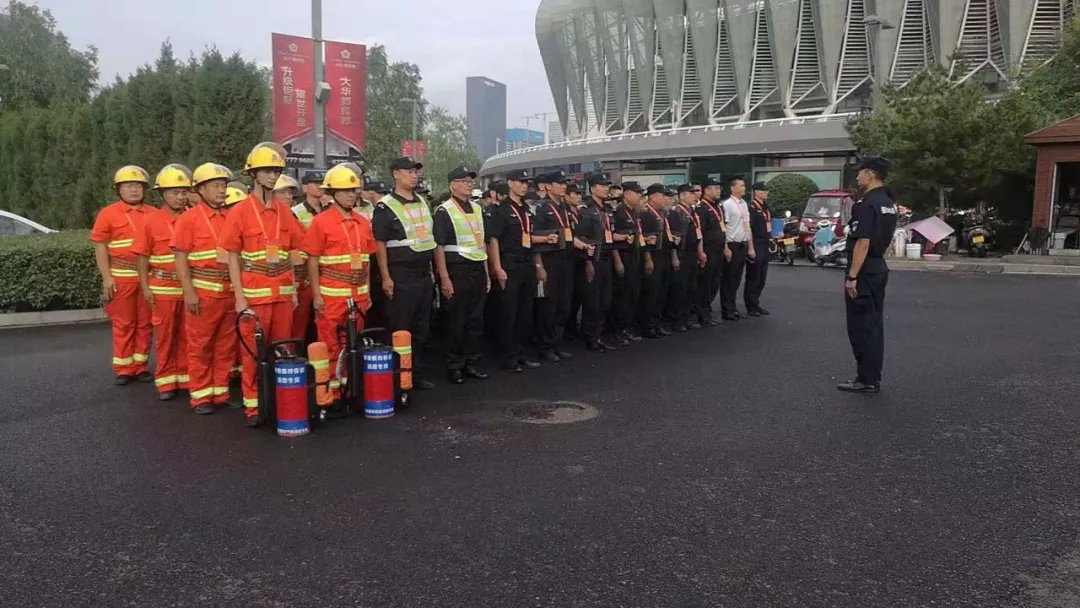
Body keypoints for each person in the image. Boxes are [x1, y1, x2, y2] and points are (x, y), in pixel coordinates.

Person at [220, 144, 305, 426]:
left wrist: (292, 290)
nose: (273, 176)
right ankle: (254, 407)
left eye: (276, 171)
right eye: (267, 171)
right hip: (254, 295)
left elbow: (296, 251)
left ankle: (283, 401)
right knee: (252, 354)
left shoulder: (283, 212)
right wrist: (239, 298)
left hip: (281, 295)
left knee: (284, 351)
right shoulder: (240, 212)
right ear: (254, 174)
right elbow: (231, 255)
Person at [301, 164, 376, 410]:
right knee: (330, 345)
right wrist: (317, 296)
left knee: (353, 344)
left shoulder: (363, 222)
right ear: (332, 193)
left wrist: (368, 291)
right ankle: (330, 395)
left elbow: (367, 260)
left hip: (359, 294)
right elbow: (312, 258)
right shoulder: (321, 223)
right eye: (345, 191)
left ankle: (350, 388)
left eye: (353, 190)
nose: (351, 195)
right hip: (332, 295)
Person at [171, 162, 238, 415]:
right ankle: (200, 396)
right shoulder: (189, 219)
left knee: (225, 344)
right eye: (215, 186)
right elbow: (180, 258)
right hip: (204, 292)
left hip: (229, 292)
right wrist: (189, 292)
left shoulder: (231, 217)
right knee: (200, 345)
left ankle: (219, 392)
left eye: (223, 185)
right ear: (200, 189)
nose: (221, 190)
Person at [371, 156, 437, 390]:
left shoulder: (421, 201)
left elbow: (427, 239)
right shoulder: (385, 206)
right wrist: (386, 277)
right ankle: (397, 376)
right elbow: (380, 243)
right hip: (400, 274)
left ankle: (414, 373)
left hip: (422, 274)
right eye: (408, 171)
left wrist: (430, 270)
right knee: (401, 326)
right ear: (396, 174)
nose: (413, 175)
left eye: (415, 171)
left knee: (421, 327)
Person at [90, 166, 155, 385]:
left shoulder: (154, 214)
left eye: (138, 186)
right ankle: (124, 368)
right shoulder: (108, 214)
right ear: (119, 189)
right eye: (129, 186)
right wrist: (106, 278)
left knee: (145, 323)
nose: (135, 190)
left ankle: (141, 365)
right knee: (123, 323)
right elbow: (100, 247)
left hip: (148, 278)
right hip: (121, 276)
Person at [133, 164, 193, 401]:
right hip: (163, 288)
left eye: (183, 191)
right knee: (166, 335)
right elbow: (142, 256)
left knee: (189, 334)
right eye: (174, 192)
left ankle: (187, 377)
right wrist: (145, 287)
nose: (179, 196)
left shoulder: (193, 218)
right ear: (162, 194)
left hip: (190, 287)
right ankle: (166, 381)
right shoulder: (151, 221)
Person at [839, 156, 897, 393]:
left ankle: (866, 378)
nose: (857, 177)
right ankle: (872, 375)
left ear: (870, 175)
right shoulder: (887, 202)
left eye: (860, 172)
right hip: (878, 266)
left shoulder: (866, 204)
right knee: (873, 323)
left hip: (863, 269)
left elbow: (862, 242)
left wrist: (852, 276)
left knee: (861, 324)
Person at [433, 166, 491, 384]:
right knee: (457, 320)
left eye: (470, 180)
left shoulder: (477, 209)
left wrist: (486, 273)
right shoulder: (444, 210)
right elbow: (438, 246)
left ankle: (471, 362)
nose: (469, 184)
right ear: (452, 185)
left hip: (477, 268)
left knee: (475, 320)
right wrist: (444, 278)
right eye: (464, 180)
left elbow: (481, 243)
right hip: (457, 270)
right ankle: (454, 366)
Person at [486, 169, 540, 372]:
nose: (525, 185)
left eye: (527, 182)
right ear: (510, 183)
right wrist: (497, 267)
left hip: (527, 264)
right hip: (509, 265)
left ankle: (520, 353)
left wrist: (537, 264)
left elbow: (530, 238)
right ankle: (509, 357)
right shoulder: (500, 210)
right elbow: (493, 240)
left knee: (525, 313)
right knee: (509, 312)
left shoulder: (527, 208)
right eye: (520, 181)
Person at [530, 170, 575, 362]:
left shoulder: (564, 208)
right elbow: (532, 239)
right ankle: (545, 346)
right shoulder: (541, 208)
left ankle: (557, 343)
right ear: (548, 186)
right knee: (548, 305)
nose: (563, 186)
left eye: (564, 183)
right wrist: (539, 265)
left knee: (564, 304)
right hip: (549, 261)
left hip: (566, 259)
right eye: (559, 183)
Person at [575, 173, 617, 352]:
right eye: (602, 185)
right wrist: (588, 262)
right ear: (592, 188)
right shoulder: (586, 210)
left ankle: (598, 335)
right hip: (593, 260)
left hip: (606, 258)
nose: (607, 188)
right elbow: (581, 238)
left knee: (605, 301)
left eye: (607, 185)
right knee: (593, 301)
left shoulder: (607, 209)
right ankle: (590, 337)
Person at [666, 184, 706, 331]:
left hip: (692, 254)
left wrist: (700, 252)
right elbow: (675, 238)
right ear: (682, 196)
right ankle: (677, 320)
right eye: (691, 193)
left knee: (691, 287)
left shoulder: (693, 212)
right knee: (680, 288)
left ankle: (686, 317)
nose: (695, 195)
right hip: (681, 254)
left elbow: (698, 234)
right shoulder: (676, 213)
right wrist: (674, 256)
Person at [637, 184, 674, 339]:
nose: (664, 199)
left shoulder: (663, 213)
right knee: (651, 294)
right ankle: (647, 325)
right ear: (652, 197)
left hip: (664, 256)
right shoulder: (645, 214)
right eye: (661, 196)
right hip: (653, 257)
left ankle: (656, 322)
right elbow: (641, 238)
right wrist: (647, 259)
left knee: (661, 293)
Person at [610, 181, 645, 344]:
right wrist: (617, 261)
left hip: (635, 257)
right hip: (623, 257)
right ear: (627, 194)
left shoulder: (634, 212)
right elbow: (611, 238)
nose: (639, 196)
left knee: (633, 295)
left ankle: (626, 328)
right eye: (636, 193)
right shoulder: (619, 213)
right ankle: (617, 330)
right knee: (622, 297)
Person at [720, 177, 754, 321]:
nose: (744, 188)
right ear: (732, 188)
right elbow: (724, 228)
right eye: (740, 186)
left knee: (736, 278)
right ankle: (726, 309)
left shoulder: (744, 204)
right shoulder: (727, 205)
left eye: (744, 186)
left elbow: (747, 225)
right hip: (731, 244)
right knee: (728, 278)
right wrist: (725, 247)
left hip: (742, 244)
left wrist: (750, 246)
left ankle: (733, 307)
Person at [695, 178, 726, 326]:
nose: (718, 191)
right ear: (706, 190)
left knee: (715, 282)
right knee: (705, 283)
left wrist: (725, 247)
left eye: (719, 188)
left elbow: (722, 228)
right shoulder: (702, 208)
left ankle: (707, 308)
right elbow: (699, 232)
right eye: (715, 188)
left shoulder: (718, 207)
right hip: (708, 250)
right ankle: (702, 313)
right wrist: (701, 252)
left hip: (719, 250)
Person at [744, 181, 773, 317]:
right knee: (754, 277)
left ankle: (756, 303)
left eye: (767, 190)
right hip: (756, 243)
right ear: (756, 192)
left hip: (765, 243)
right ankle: (751, 305)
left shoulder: (765, 207)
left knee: (762, 278)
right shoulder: (752, 208)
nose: (766, 192)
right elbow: (749, 228)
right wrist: (750, 247)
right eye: (763, 190)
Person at [564, 182, 586, 339]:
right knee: (567, 296)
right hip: (569, 256)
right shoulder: (564, 212)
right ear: (566, 196)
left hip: (581, 258)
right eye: (575, 194)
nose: (579, 197)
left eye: (580, 194)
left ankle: (572, 325)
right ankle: (566, 327)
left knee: (578, 293)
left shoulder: (580, 213)